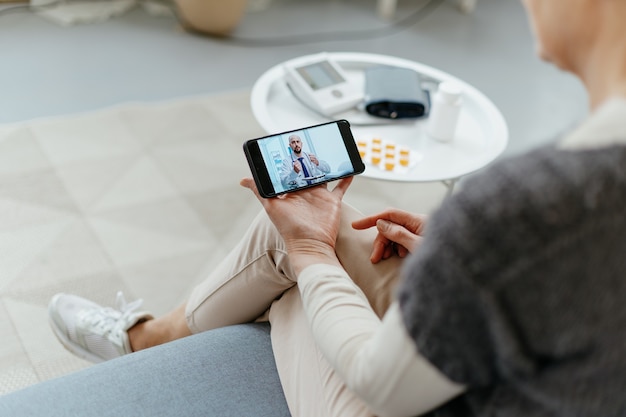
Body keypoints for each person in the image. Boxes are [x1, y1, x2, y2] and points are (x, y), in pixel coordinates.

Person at [48, 1, 626, 416]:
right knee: (308, 219)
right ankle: (157, 334)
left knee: (296, 255)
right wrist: (461, 262)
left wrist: (310, 255)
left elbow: (385, 385)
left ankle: (147, 340)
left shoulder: (535, 206)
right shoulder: (559, 206)